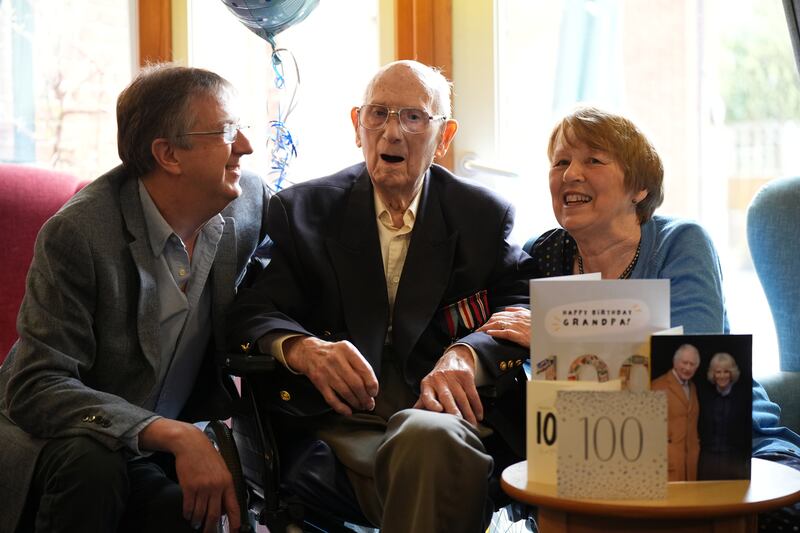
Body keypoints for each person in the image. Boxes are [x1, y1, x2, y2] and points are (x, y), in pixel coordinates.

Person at [226, 60, 530, 532]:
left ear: (444, 136)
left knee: (429, 443)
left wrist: (469, 354)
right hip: (341, 423)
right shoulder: (304, 211)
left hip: (443, 418)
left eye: (413, 117)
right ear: (356, 125)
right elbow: (252, 309)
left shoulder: (482, 216)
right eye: (379, 114)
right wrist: (303, 348)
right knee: (438, 479)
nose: (392, 132)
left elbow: (524, 304)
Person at [0, 64, 270, 533]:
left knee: (189, 509)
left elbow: (303, 261)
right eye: (227, 131)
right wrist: (170, 435)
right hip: (57, 438)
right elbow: (36, 385)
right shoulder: (79, 234)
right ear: (168, 154)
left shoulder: (248, 203)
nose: (245, 145)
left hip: (159, 443)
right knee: (95, 467)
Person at [476, 105, 800, 476]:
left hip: (726, 445)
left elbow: (689, 367)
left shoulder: (681, 242)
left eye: (593, 160)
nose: (571, 174)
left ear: (639, 187)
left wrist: (554, 338)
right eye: (560, 162)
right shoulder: (543, 254)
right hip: (599, 452)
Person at [651, 344, 701, 481]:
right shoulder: (657, 386)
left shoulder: (693, 387)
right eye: (684, 363)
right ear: (675, 362)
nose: (688, 368)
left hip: (690, 462)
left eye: (692, 364)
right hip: (668, 461)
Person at [697, 352, 750, 480]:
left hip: (734, 458)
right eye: (718, 372)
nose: (722, 376)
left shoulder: (743, 397)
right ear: (713, 374)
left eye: (726, 371)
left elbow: (746, 431)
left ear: (732, 373)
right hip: (708, 458)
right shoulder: (704, 397)